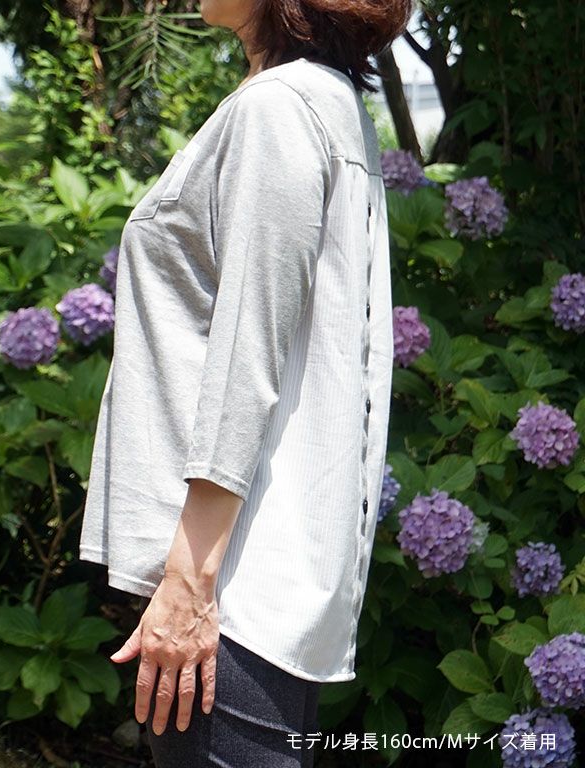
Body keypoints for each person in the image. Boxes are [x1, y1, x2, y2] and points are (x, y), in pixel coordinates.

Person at [79, 0, 412, 765]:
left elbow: (247, 355)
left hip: (232, 595)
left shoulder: (279, 108)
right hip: (267, 580)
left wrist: (191, 585)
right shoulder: (324, 103)